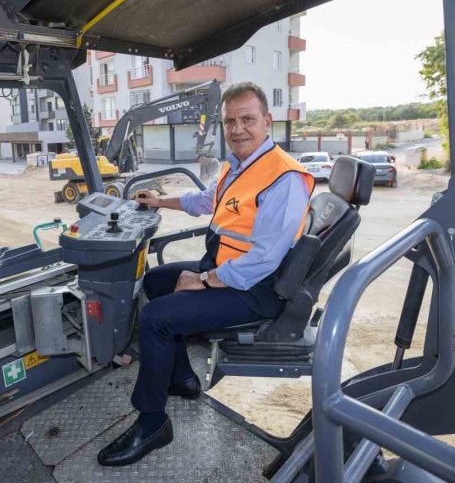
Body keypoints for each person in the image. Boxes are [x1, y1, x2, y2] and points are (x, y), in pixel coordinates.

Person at [97, 83, 314, 467]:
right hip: (227, 271)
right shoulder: (239, 165)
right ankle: (182, 378)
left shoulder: (285, 178)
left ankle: (152, 423)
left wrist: (204, 280)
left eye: (247, 119)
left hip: (255, 290)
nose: (237, 129)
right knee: (156, 281)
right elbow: (206, 200)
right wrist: (160, 200)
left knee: (155, 318)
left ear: (267, 121)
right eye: (230, 121)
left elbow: (264, 259)